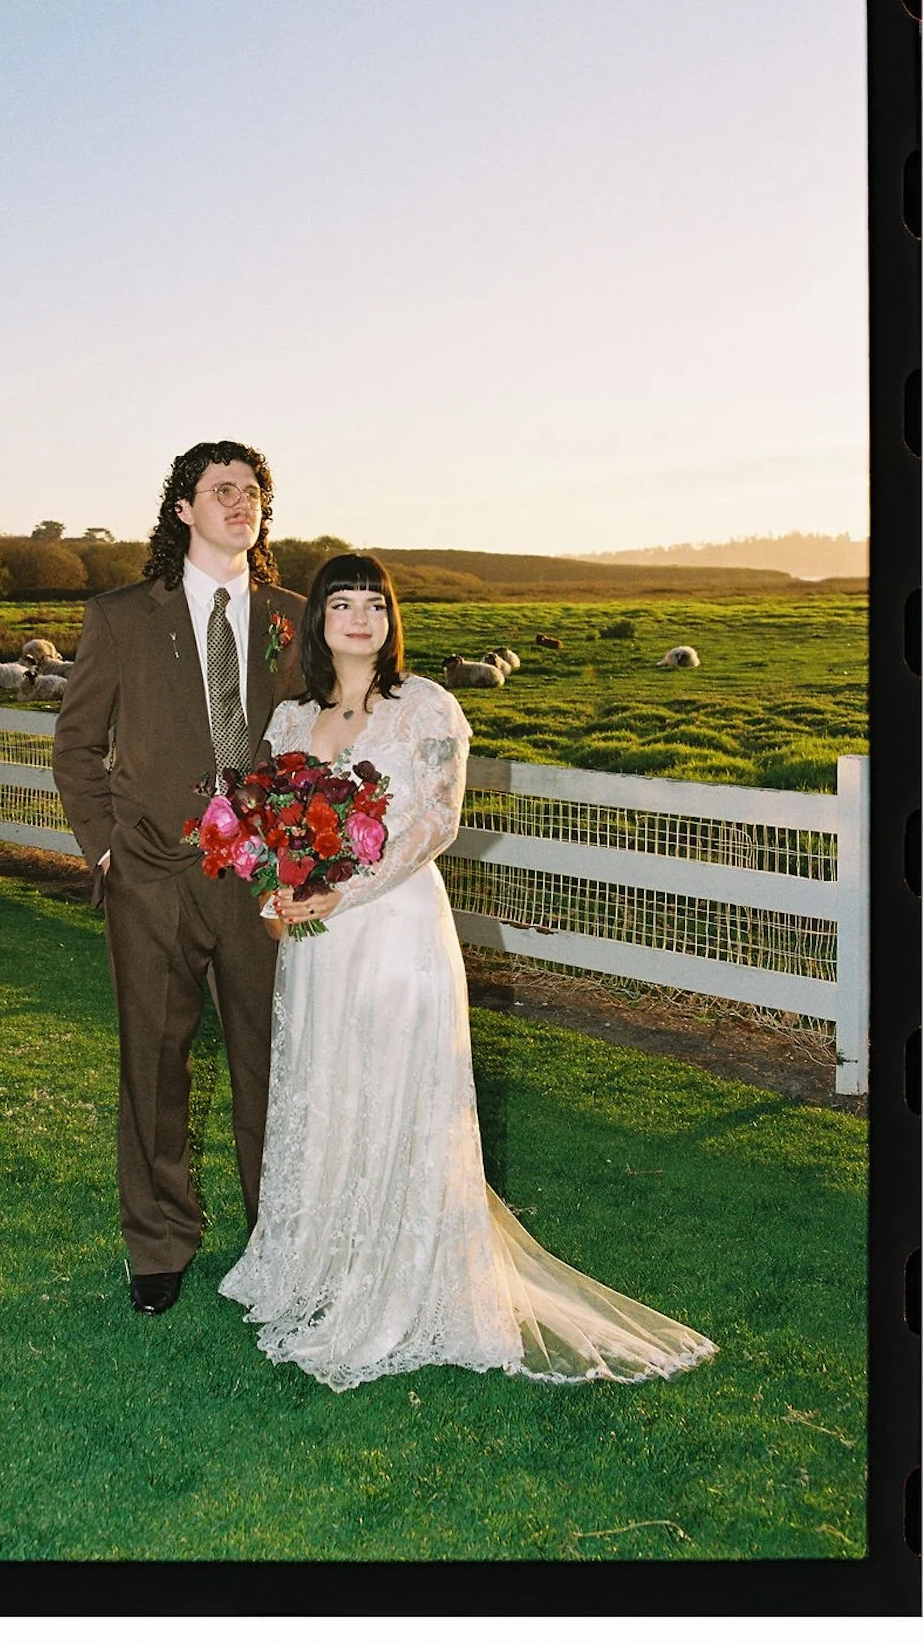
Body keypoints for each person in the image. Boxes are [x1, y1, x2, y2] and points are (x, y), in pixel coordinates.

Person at [219, 553, 717, 1390]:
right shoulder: (291, 718)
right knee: (328, 1080)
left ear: (391, 620)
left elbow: (436, 823)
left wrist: (344, 892)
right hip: (318, 942)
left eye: (375, 605)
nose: (360, 619)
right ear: (318, 621)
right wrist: (276, 892)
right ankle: (324, 1260)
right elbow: (267, 824)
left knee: (396, 1082)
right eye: (342, 604)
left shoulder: (426, 706)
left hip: (396, 925)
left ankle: (405, 1279)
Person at [53, 442, 306, 1317]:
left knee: (271, 1064)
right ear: (183, 509)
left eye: (253, 490)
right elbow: (76, 745)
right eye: (221, 489)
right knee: (154, 1069)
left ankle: (281, 1237)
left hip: (262, 884)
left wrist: (303, 854)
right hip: (153, 878)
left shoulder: (292, 618)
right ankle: (159, 1243)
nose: (241, 502)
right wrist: (106, 851)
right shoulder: (121, 616)